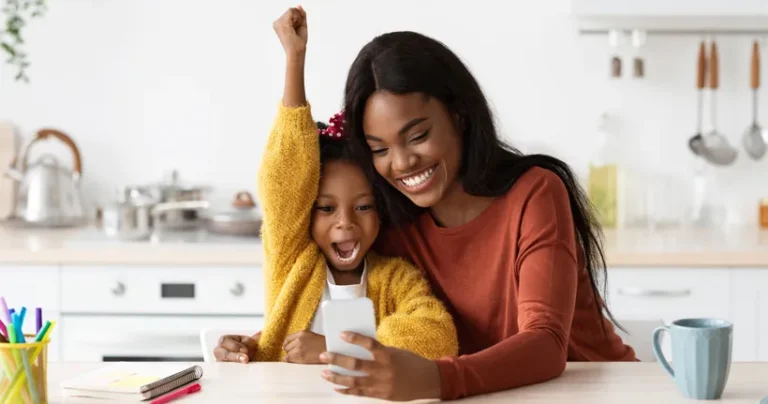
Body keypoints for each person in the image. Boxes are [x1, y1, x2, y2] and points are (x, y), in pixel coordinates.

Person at [314, 31, 638, 400]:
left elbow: (546, 344)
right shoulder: (392, 222)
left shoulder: (535, 193)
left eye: (418, 136)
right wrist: (264, 342)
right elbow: (318, 279)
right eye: (380, 148)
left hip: (599, 390)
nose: (401, 163)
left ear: (459, 115)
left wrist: (435, 379)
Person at [213, 7, 457, 366]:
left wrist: (335, 349)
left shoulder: (395, 279)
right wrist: (295, 59)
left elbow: (437, 336)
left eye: (363, 206)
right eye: (326, 208)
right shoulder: (293, 261)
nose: (345, 223)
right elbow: (286, 178)